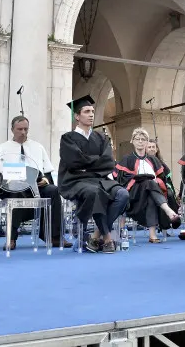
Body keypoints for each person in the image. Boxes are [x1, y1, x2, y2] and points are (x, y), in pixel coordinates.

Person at [58, 95, 129, 253]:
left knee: (123, 194)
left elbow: (108, 162)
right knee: (95, 193)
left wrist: (87, 164)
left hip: (100, 179)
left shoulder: (101, 137)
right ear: (77, 116)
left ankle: (96, 235)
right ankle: (108, 239)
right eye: (86, 111)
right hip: (76, 180)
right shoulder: (68, 138)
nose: (91, 114)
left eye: (92, 111)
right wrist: (96, 163)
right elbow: (73, 162)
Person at [0, 116, 68, 250]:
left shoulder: (38, 147)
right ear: (12, 129)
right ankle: (11, 238)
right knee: (16, 191)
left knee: (53, 190)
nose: (23, 132)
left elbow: (47, 172)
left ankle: (54, 236)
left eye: (26, 129)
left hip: (35, 186)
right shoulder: (2, 148)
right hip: (10, 187)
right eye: (19, 129)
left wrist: (45, 180)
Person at [115, 128, 181, 243]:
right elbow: (121, 181)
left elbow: (162, 180)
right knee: (148, 182)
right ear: (132, 141)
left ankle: (152, 235)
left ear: (146, 142)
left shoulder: (154, 160)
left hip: (152, 194)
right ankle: (168, 211)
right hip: (134, 196)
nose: (140, 141)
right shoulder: (127, 160)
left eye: (143, 139)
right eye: (137, 139)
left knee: (151, 192)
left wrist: (158, 182)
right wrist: (139, 179)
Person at [146, 139, 179, 217]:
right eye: (149, 147)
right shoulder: (143, 162)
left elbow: (168, 180)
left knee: (170, 194)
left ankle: (172, 216)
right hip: (148, 187)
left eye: (153, 147)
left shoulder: (162, 164)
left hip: (162, 187)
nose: (151, 149)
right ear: (145, 149)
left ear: (157, 149)